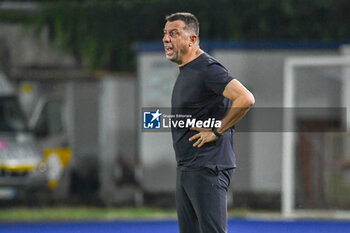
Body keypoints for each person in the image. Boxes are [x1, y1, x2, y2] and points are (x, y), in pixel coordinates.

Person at [163, 12, 255, 233]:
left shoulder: (207, 69)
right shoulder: (187, 70)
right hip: (188, 167)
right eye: (165, 34)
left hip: (207, 166)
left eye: (174, 34)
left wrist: (217, 129)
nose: (166, 39)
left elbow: (246, 98)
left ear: (192, 40)